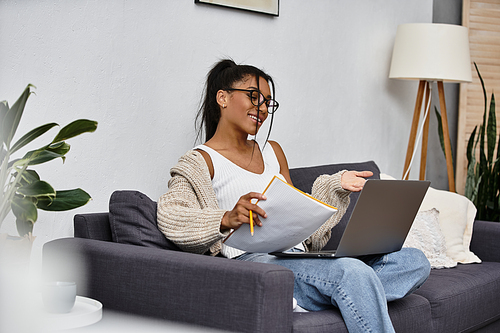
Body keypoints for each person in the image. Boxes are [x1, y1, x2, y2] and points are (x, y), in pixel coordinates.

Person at [157, 59, 431, 332]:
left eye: (267, 102)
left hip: (299, 257)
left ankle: (334, 294)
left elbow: (300, 214)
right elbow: (171, 216)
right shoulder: (199, 161)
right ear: (223, 98)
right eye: (254, 97)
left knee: (413, 261)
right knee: (354, 273)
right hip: (255, 263)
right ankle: (343, 289)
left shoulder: (272, 151)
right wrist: (227, 218)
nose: (262, 109)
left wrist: (335, 185)